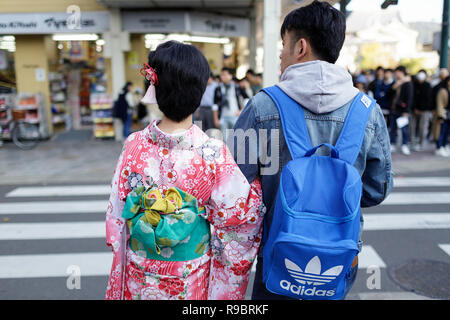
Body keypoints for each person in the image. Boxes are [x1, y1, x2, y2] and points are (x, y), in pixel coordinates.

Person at [231, 0, 393, 300]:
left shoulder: (262, 106)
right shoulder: (368, 111)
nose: (281, 54)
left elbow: (234, 187)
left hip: (280, 250)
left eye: (284, 44)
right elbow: (376, 189)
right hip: (338, 255)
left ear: (300, 46)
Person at [105, 40, 264, 300]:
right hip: (190, 280)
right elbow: (240, 220)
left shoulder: (133, 145)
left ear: (154, 87)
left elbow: (116, 216)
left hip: (139, 275)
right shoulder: (212, 152)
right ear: (200, 93)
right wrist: (256, 188)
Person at [213, 67, 245, 137]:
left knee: (236, 137)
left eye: (225, 75)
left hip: (235, 116)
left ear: (230, 76)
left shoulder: (237, 87)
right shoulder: (218, 88)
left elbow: (246, 99)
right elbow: (215, 105)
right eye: (222, 75)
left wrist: (242, 110)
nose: (223, 77)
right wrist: (216, 119)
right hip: (223, 117)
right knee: (224, 139)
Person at [390, 66, 414, 155]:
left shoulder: (408, 84)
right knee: (393, 128)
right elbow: (390, 94)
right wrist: (395, 85)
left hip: (402, 110)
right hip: (393, 109)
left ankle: (405, 145)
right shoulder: (395, 83)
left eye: (397, 72)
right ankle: (392, 143)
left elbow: (409, 98)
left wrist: (406, 110)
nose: (395, 74)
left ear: (401, 72)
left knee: (404, 129)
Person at [411, 70, 433, 151]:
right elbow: (412, 97)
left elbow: (429, 99)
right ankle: (412, 143)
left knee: (422, 127)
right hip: (414, 110)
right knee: (412, 127)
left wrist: (422, 109)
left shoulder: (428, 86)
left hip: (425, 111)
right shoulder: (414, 85)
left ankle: (421, 143)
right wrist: (414, 108)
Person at [435, 75, 450, 157]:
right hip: (443, 114)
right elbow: (440, 104)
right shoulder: (442, 91)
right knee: (441, 132)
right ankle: (439, 147)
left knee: (447, 132)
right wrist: (440, 116)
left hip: (449, 115)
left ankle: (444, 146)